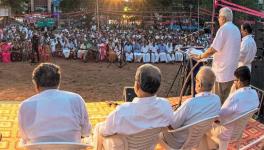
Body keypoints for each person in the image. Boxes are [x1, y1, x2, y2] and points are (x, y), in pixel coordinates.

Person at [93, 64, 173, 149]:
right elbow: (170, 123)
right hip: (147, 146)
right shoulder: (166, 106)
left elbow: (104, 132)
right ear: (158, 87)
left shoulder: (122, 112)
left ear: (137, 86)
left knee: (99, 128)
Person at [18, 63, 91, 144]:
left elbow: (24, 136)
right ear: (58, 83)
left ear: (36, 85)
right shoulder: (76, 99)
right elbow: (86, 131)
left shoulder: (25, 105)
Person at [160, 66, 221, 149]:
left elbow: (172, 126)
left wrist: (170, 113)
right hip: (195, 139)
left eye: (196, 80)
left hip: (177, 141)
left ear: (199, 85)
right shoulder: (216, 99)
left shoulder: (190, 103)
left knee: (158, 124)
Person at [191, 7, 241, 103]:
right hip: (232, 73)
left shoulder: (224, 29)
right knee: (226, 102)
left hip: (222, 73)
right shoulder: (236, 29)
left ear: (223, 18)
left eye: (219, 17)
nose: (218, 20)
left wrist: (201, 56)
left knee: (217, 101)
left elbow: (213, 49)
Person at [206, 66, 259, 150]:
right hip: (239, 131)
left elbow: (219, 117)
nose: (234, 83)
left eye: (235, 80)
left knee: (201, 123)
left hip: (224, 133)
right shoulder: (254, 94)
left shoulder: (235, 96)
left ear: (240, 81)